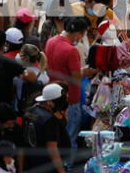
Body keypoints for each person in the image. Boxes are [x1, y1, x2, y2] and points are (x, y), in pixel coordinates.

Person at [44, 17, 88, 157]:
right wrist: (87, 71)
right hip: (69, 99)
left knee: (55, 137)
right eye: (82, 35)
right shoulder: (71, 50)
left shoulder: (50, 41)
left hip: (52, 96)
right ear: (77, 33)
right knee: (70, 136)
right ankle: (67, 166)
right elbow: (75, 77)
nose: (81, 38)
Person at [22, 83, 70, 173]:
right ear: (50, 102)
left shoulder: (29, 112)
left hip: (31, 164)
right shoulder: (49, 119)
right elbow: (52, 149)